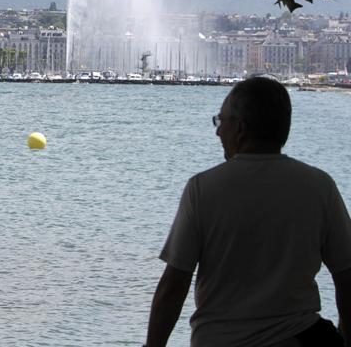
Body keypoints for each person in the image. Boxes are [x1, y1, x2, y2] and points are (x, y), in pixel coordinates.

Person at [144, 77, 351, 347]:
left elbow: (174, 285)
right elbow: (346, 278)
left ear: (240, 128)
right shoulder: (320, 186)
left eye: (221, 121)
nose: (218, 132)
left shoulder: (203, 189)